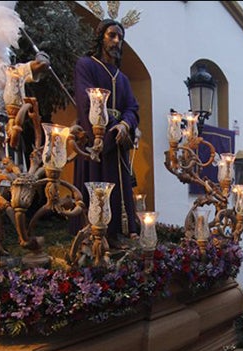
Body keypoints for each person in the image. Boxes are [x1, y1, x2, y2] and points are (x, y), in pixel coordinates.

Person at [72, 19, 140, 242]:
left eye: (120, 37)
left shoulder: (123, 79)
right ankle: (96, 238)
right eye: (112, 35)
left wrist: (125, 125)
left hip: (118, 141)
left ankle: (123, 232)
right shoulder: (86, 65)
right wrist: (111, 128)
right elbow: (86, 100)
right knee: (97, 186)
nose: (116, 41)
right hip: (97, 143)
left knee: (121, 189)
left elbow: (132, 107)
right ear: (101, 37)